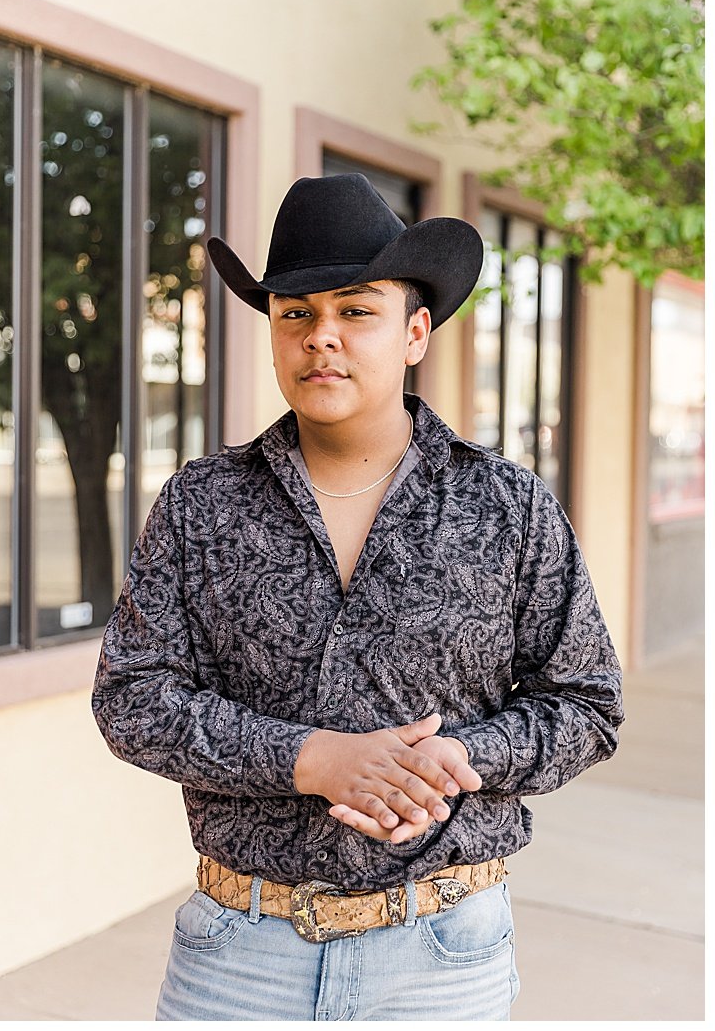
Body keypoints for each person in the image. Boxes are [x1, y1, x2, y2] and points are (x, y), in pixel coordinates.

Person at [91, 173, 623, 1020]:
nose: (322, 338)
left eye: (356, 310)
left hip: (443, 952)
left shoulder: (509, 505)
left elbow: (588, 704)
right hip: (239, 952)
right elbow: (131, 700)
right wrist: (313, 757)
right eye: (296, 313)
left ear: (414, 332)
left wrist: (460, 761)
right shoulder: (201, 503)